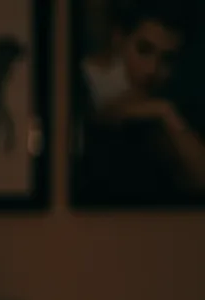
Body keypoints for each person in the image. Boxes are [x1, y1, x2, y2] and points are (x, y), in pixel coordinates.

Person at [75, 1, 205, 202]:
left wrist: (166, 113)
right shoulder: (80, 83)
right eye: (144, 50)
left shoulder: (171, 98)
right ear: (119, 40)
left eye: (167, 59)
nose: (152, 69)